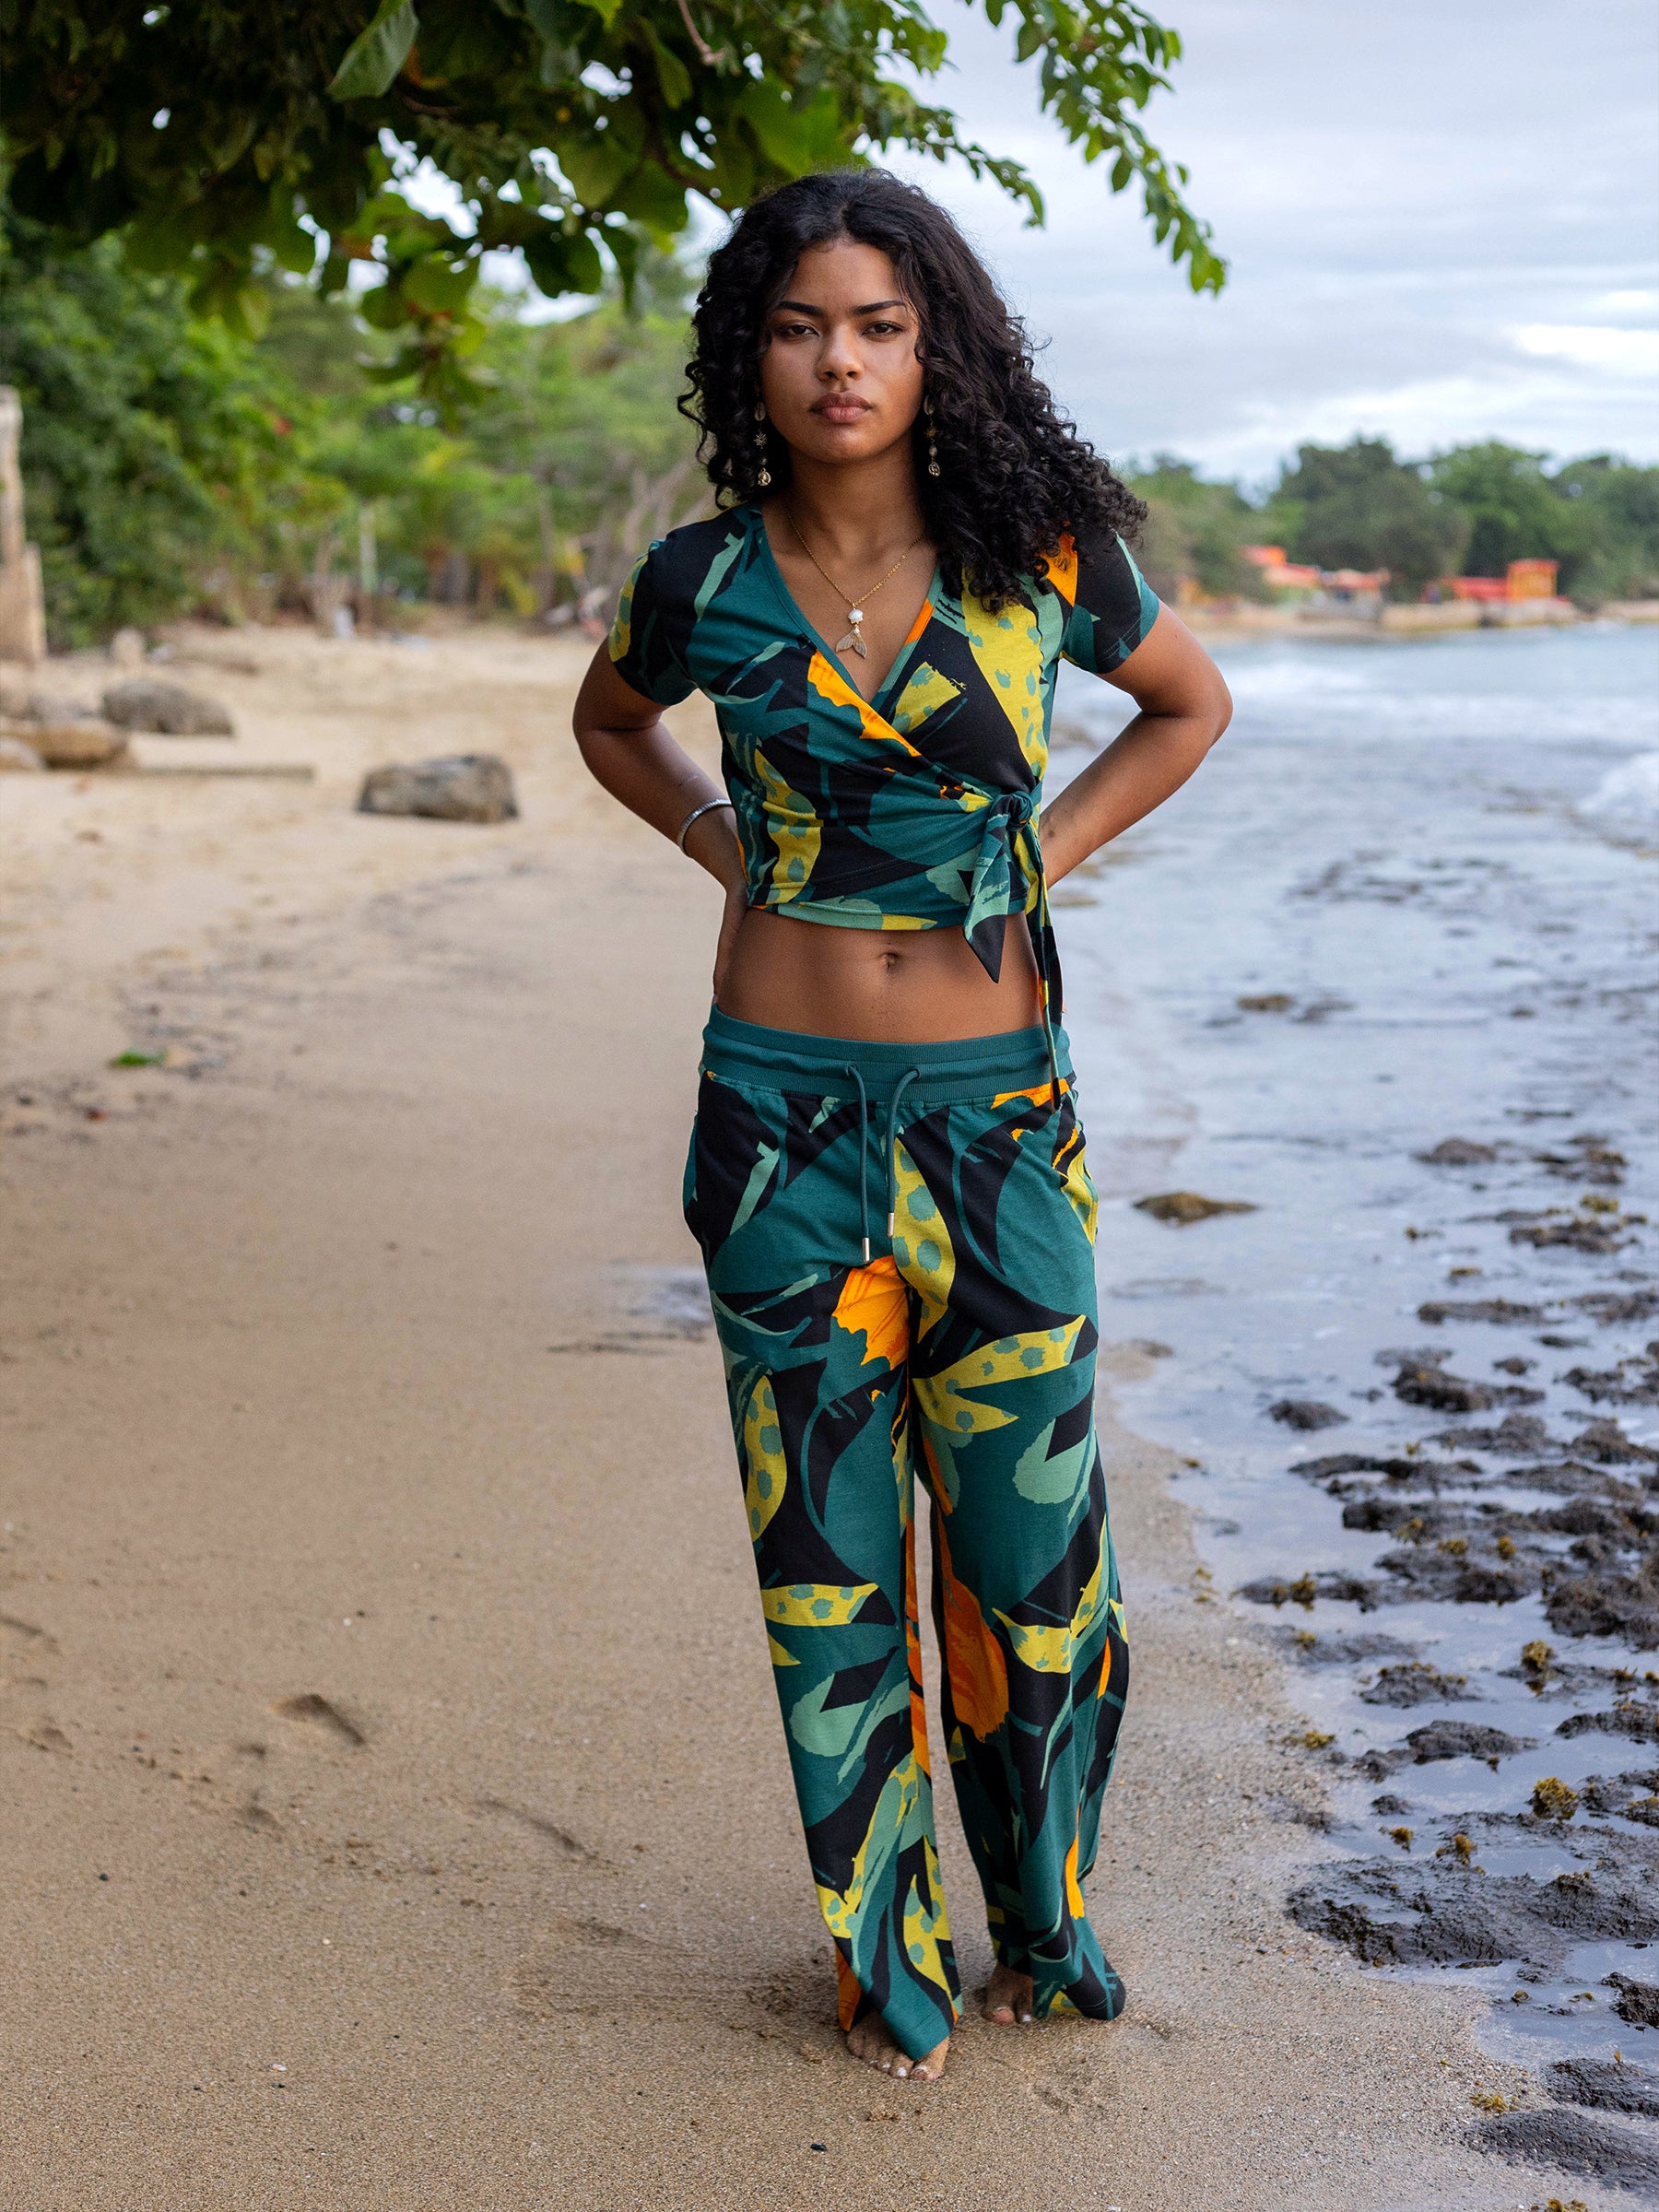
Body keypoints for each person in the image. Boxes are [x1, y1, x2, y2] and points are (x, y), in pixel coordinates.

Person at [572, 168, 1231, 2085]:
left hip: (998, 1128)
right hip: (778, 1127)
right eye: (799, 328)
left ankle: (1046, 1919)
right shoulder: (701, 580)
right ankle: (883, 1956)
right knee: (828, 1557)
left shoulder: (1037, 556)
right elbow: (613, 725)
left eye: (875, 324)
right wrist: (721, 841)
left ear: (935, 343)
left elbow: (1186, 705)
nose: (837, 361)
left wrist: (1047, 854)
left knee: (1030, 1555)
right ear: (749, 356)